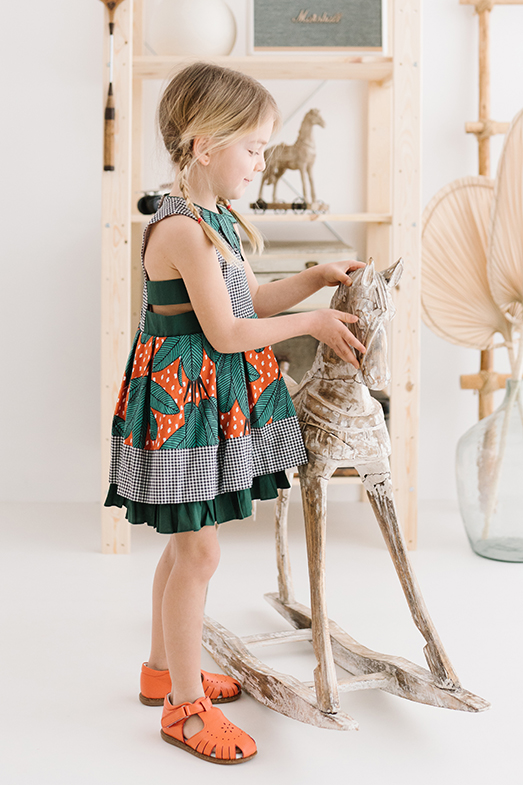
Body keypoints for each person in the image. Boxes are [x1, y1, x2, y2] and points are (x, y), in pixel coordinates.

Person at [104, 61, 366, 765]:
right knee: (200, 550)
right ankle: (185, 709)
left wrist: (311, 280)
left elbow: (248, 303)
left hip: (201, 404)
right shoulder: (181, 229)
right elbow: (225, 334)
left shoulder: (217, 219)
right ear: (203, 146)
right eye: (252, 147)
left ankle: (163, 671)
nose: (259, 162)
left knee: (186, 544)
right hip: (179, 411)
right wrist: (313, 323)